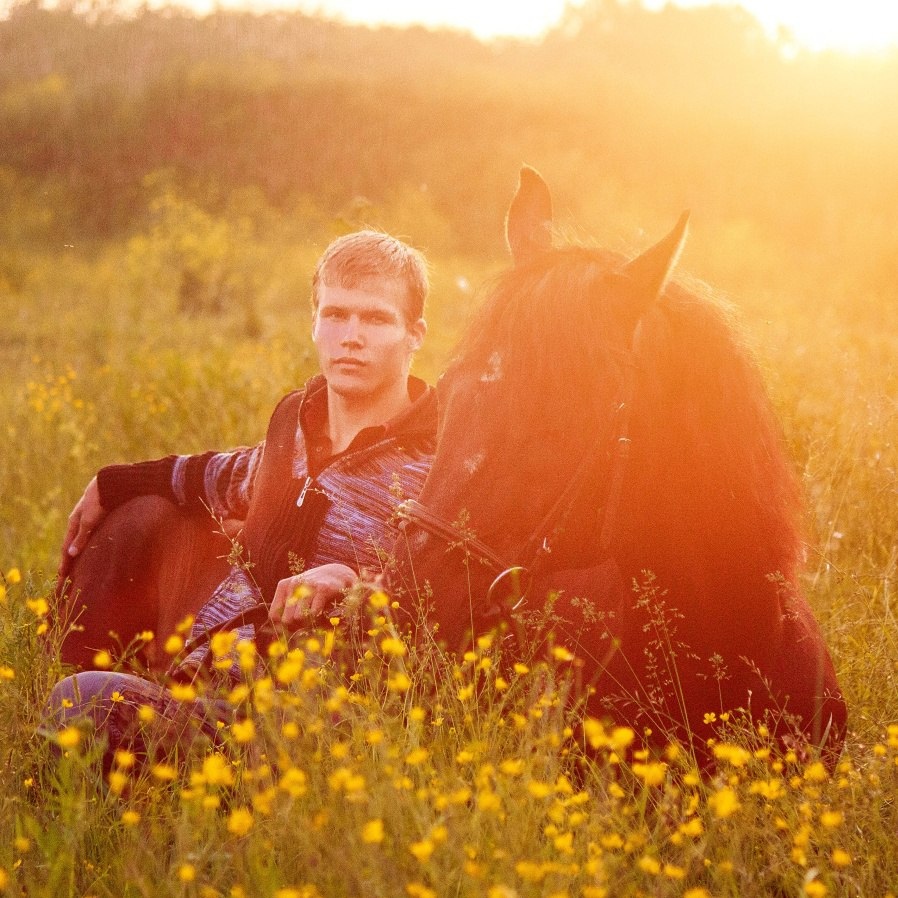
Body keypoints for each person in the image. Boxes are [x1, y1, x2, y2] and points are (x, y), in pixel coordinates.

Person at [44, 229, 436, 762]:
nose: (351, 336)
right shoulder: (295, 425)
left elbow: (443, 597)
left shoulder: (439, 462)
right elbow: (227, 474)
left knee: (80, 700)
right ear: (314, 323)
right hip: (207, 693)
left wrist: (351, 585)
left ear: (415, 333)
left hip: (314, 727)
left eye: (376, 319)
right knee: (85, 697)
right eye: (336, 315)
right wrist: (116, 482)